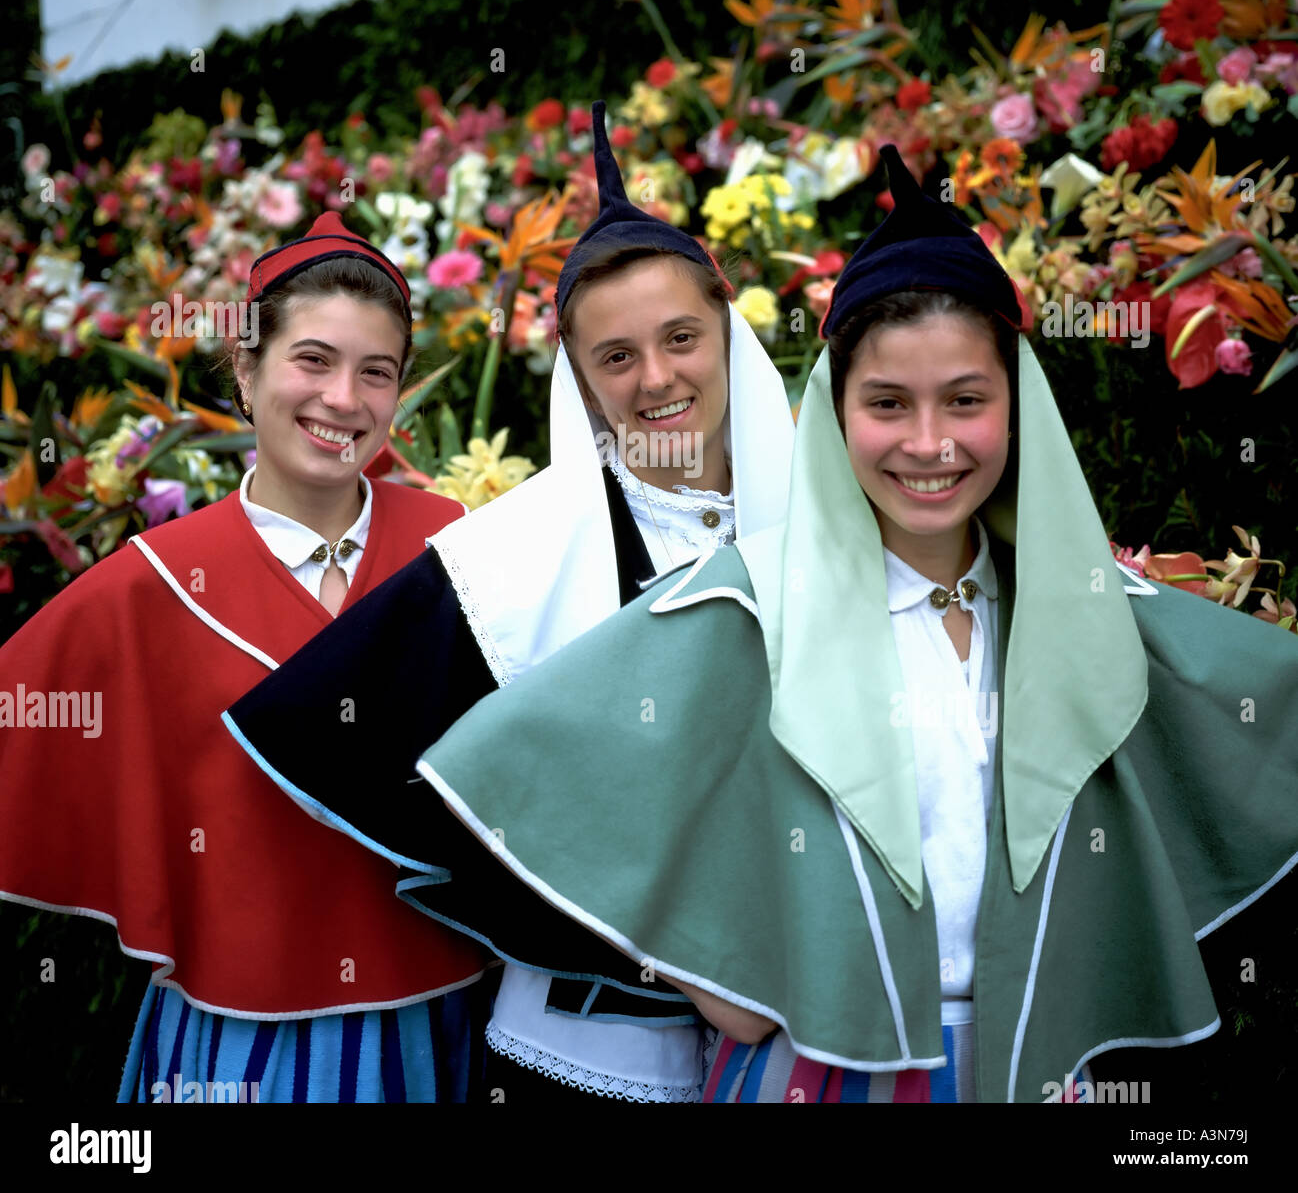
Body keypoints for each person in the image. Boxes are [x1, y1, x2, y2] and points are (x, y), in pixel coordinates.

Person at [408, 145, 1298, 1103]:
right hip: (818, 1071)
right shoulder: (739, 609)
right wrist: (712, 969)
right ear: (833, 412)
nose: (928, 443)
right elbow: (520, 767)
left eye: (966, 399)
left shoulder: (1088, 611)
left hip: (1032, 1068)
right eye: (886, 404)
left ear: (1017, 405)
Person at [222, 102, 796, 1103]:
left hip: (810, 1023)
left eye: (680, 339)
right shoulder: (516, 553)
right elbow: (335, 731)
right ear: (577, 378)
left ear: (727, 332)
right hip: (587, 1051)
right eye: (615, 357)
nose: (655, 378)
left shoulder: (829, 521)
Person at [0, 212, 487, 1103]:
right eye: (312, 360)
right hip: (237, 1043)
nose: (344, 399)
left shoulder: (459, 545)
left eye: (375, 373)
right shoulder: (146, 584)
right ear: (244, 367)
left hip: (443, 1017)